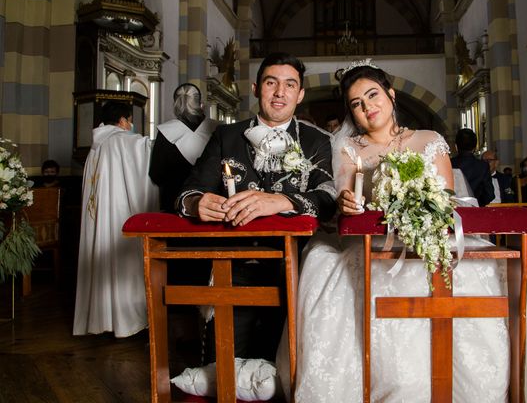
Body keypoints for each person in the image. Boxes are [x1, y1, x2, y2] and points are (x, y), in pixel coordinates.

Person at [279, 60, 527, 402]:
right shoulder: (347, 148)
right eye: (356, 103)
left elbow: (446, 199)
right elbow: (347, 195)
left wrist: (420, 205)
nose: (366, 107)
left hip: (433, 238)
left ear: (390, 94)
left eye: (372, 95)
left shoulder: (428, 139)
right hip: (377, 246)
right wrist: (349, 203)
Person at [177, 52, 336, 360]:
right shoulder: (226, 135)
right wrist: (197, 202)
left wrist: (282, 200)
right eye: (271, 82)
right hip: (232, 264)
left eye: (290, 85)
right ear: (255, 88)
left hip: (294, 268)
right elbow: (190, 188)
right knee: (223, 363)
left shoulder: (316, 140)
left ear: (300, 93)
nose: (280, 92)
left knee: (288, 364)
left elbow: (328, 197)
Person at [73, 101, 159, 337]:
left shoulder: (96, 146)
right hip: (119, 216)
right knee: (123, 261)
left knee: (99, 259)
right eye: (129, 120)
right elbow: (150, 154)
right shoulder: (123, 140)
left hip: (98, 217)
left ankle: (99, 320)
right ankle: (126, 321)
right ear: (123, 120)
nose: (130, 125)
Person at [149, 83, 216, 212]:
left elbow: (156, 173)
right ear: (200, 102)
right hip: (211, 202)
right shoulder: (217, 128)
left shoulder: (166, 131)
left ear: (175, 103)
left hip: (174, 201)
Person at [450, 128, 494, 206]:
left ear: (456, 146)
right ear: (475, 147)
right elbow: (489, 194)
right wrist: (476, 204)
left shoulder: (449, 163)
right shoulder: (482, 166)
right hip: (475, 211)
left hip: (453, 211)